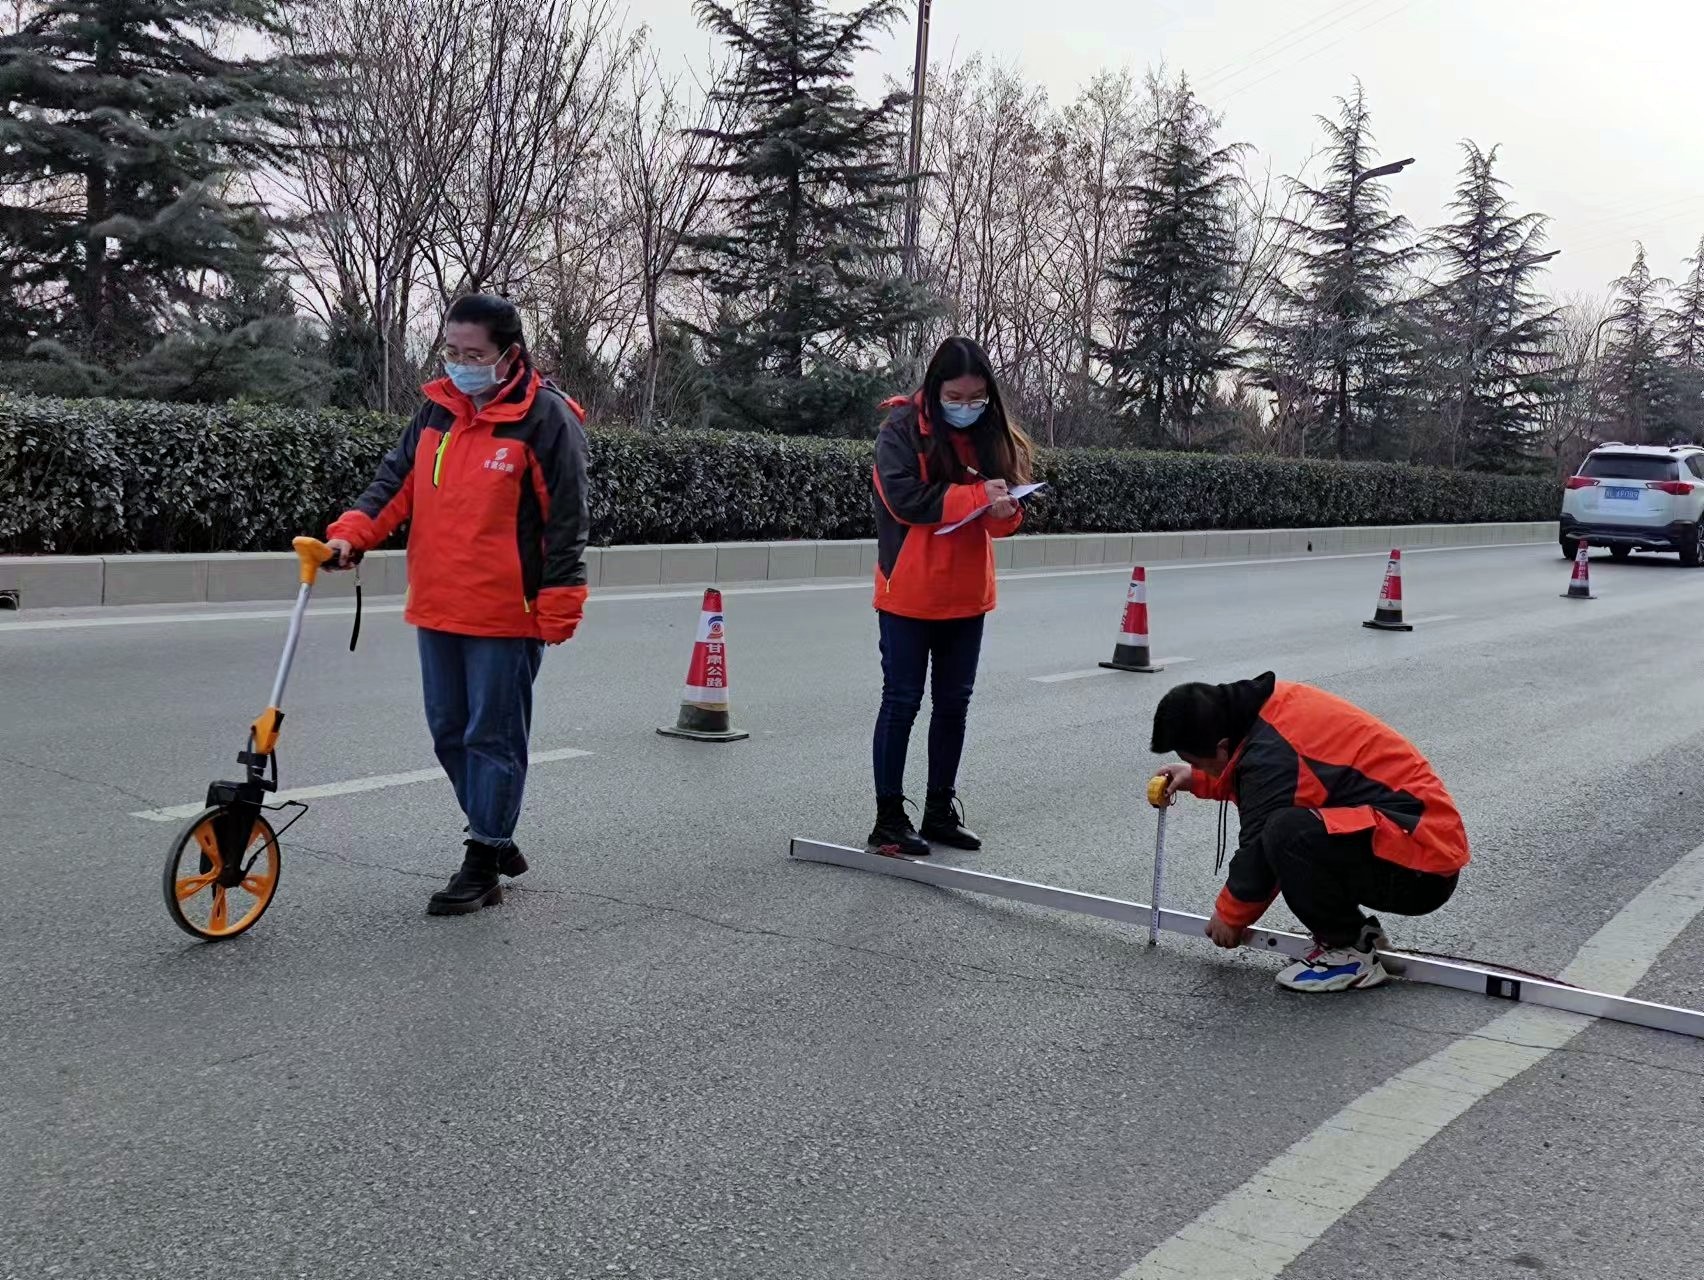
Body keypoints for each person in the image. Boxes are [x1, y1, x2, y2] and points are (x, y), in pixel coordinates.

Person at [325, 294, 590, 916]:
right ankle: (495, 834)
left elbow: (567, 519)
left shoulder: (546, 418)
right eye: (452, 351)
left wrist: (560, 597)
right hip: (439, 601)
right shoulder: (436, 412)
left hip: (507, 611)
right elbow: (396, 484)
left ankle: (483, 859)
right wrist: (351, 533)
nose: (462, 364)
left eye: (475, 354)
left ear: (509, 354)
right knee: (449, 731)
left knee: (490, 735)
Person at [1150, 671, 1469, 992]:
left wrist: (1229, 917)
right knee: (1291, 829)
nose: (1202, 769)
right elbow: (1258, 776)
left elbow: (1258, 844)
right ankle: (1357, 934)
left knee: (1285, 834)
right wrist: (1197, 776)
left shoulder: (1274, 750)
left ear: (1221, 746)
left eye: (1198, 762)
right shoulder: (1267, 714)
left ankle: (1348, 953)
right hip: (1412, 845)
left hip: (1421, 868)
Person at [866, 336, 1034, 858]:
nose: (967, 407)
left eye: (977, 397)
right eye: (956, 397)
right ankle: (889, 819)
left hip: (967, 594)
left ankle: (939, 809)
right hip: (909, 593)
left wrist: (1005, 513)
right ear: (935, 389)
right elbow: (905, 501)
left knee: (953, 706)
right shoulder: (899, 431)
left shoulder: (991, 434)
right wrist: (976, 497)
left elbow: (1000, 510)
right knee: (901, 703)